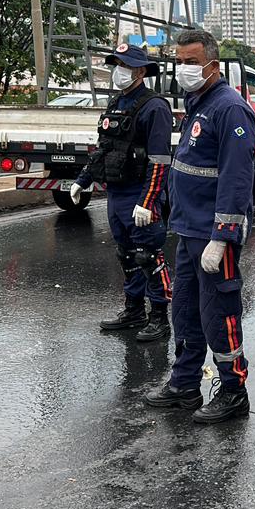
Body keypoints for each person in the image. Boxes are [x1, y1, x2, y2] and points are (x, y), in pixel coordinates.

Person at [145, 29, 255, 424]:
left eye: (191, 62)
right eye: (180, 61)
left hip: (212, 237)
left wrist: (223, 238)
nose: (183, 69)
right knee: (186, 312)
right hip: (188, 229)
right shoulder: (199, 103)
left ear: (212, 64)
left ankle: (233, 390)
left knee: (220, 314)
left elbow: (237, 179)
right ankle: (184, 383)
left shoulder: (230, 109)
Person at [70, 44, 174, 342]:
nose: (119, 71)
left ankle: (159, 317)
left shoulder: (154, 107)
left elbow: (159, 160)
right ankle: (133, 310)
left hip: (140, 193)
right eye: (117, 64)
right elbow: (104, 148)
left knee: (148, 256)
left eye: (125, 65)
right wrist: (83, 179)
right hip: (116, 192)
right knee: (126, 254)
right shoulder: (117, 103)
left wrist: (148, 201)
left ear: (140, 71)